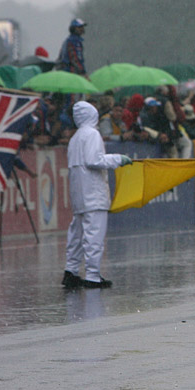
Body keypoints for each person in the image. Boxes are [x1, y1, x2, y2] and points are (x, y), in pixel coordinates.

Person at [62, 101, 132, 289]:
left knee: (77, 235)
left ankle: (71, 271)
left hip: (79, 194)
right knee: (94, 236)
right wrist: (117, 159)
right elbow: (94, 160)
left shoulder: (75, 137)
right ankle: (93, 276)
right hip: (93, 193)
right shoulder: (92, 134)